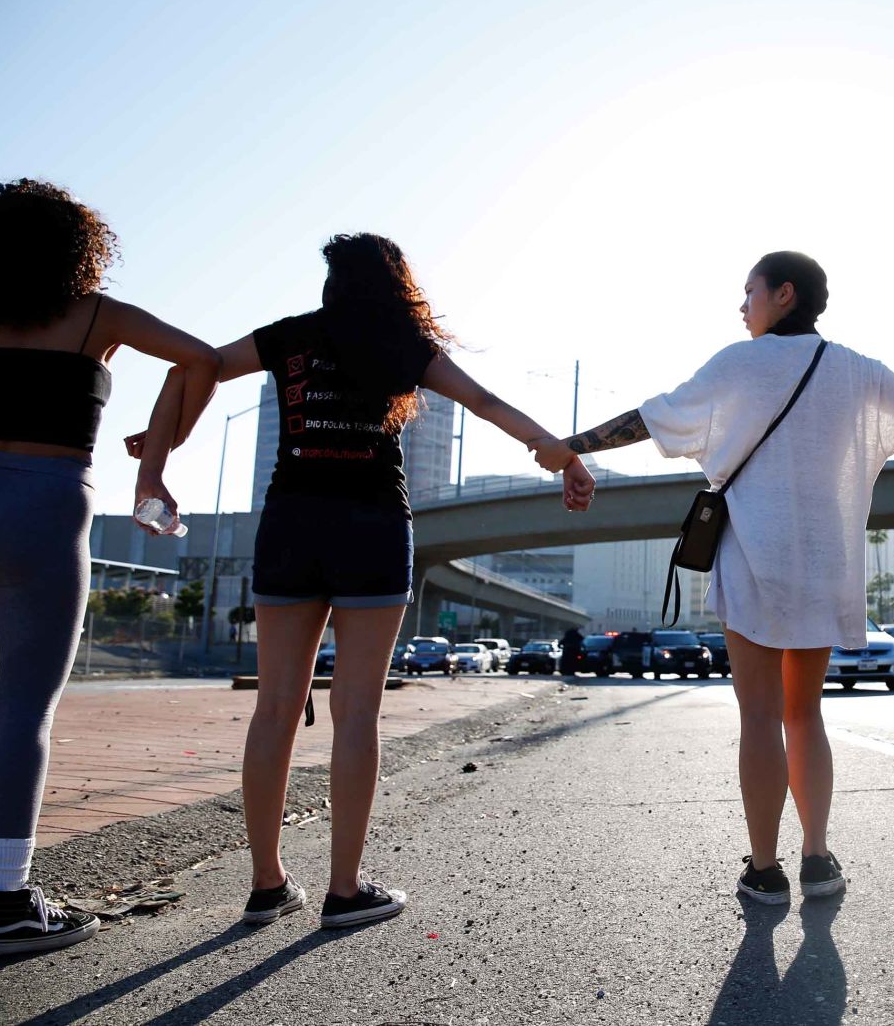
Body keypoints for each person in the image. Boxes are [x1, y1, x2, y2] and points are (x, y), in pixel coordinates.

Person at [531, 250, 894, 905]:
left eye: (749, 291)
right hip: (823, 563)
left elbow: (649, 418)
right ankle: (817, 856)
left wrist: (570, 446)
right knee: (803, 711)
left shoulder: (737, 363)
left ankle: (765, 868)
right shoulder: (854, 370)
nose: (742, 305)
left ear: (783, 293)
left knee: (759, 716)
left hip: (752, 561)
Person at [167, 233, 593, 930]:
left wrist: (165, 443)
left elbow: (204, 364)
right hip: (370, 523)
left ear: (332, 282)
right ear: (397, 283)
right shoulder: (403, 342)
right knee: (356, 713)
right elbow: (484, 401)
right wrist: (558, 451)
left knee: (274, 708)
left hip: (291, 522)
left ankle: (267, 882)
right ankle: (343, 889)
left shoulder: (290, 335)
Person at [0, 179, 220, 956]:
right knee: (23, 713)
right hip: (41, 504)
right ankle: (3, 901)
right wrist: (159, 453)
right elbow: (198, 360)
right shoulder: (98, 315)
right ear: (76, 246)